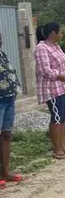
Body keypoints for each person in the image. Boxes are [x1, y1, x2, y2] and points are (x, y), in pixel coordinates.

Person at [33, 22, 65, 160]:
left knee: (63, 117)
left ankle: (63, 146)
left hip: (64, 87)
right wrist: (64, 76)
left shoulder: (55, 46)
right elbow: (45, 70)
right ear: (53, 33)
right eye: (60, 32)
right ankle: (56, 149)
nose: (62, 34)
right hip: (52, 89)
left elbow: (62, 63)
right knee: (56, 118)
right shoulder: (42, 48)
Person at [0, 32, 23, 187]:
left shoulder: (2, 54)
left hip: (9, 99)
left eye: (0, 38)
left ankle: (6, 172)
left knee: (6, 135)